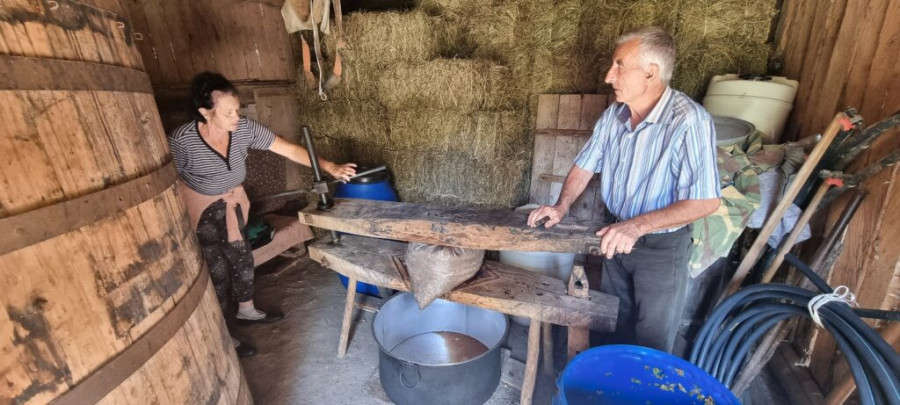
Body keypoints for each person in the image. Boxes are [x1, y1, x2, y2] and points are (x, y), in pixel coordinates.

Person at [527, 27, 720, 353]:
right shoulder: (613, 117)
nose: (608, 76)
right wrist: (561, 206)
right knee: (612, 322)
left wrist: (637, 226)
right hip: (614, 235)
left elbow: (706, 200)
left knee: (652, 340)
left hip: (661, 248)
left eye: (619, 65)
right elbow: (585, 165)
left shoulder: (688, 121)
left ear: (651, 72)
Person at [169, 71, 356, 357]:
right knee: (215, 270)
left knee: (242, 255)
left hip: (232, 201)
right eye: (228, 111)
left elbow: (289, 150)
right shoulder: (182, 141)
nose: (236, 116)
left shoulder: (242, 130)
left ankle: (247, 311)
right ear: (205, 112)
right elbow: (169, 180)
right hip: (201, 206)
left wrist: (330, 166)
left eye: (237, 109)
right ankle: (223, 336)